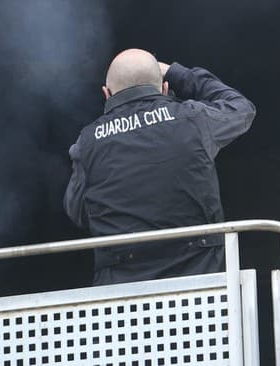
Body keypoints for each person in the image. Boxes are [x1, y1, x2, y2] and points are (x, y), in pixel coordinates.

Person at [63, 48, 255, 285]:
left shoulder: (87, 143)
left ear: (106, 93)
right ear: (164, 88)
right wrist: (177, 73)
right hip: (204, 300)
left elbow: (78, 213)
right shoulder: (193, 119)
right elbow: (241, 108)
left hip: (121, 307)